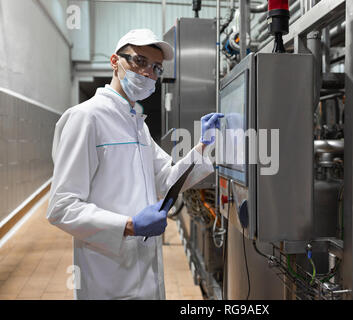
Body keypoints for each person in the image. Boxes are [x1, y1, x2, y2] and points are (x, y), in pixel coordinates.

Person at [46, 29, 223, 300]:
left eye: (156, 67)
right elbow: (62, 207)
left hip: (146, 272)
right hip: (108, 277)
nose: (148, 73)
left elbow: (167, 179)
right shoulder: (86, 118)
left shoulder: (136, 125)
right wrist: (129, 226)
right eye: (139, 61)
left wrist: (203, 146)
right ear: (115, 61)